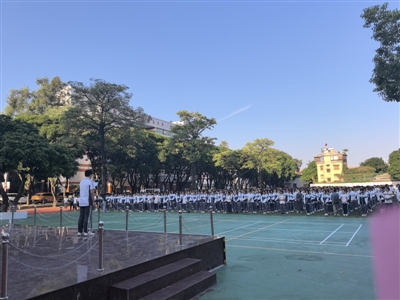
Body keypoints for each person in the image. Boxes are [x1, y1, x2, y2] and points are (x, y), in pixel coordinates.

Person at [78, 169, 95, 237]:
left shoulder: (81, 182)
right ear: (90, 175)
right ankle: (86, 231)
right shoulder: (90, 182)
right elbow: (92, 192)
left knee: (81, 216)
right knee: (86, 217)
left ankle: (79, 231)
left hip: (81, 201)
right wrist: (93, 201)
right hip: (87, 201)